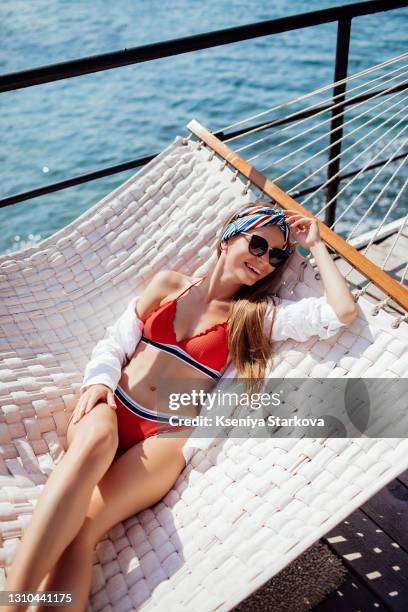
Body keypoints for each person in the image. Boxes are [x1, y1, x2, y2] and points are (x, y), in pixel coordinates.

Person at [4, 201, 357, 611]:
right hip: (111, 405)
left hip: (163, 437)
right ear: (229, 238)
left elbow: (341, 312)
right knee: (91, 445)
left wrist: (314, 245)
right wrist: (98, 382)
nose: (265, 260)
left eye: (277, 256)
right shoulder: (169, 285)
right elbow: (114, 341)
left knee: (84, 529)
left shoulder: (253, 316)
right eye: (258, 244)